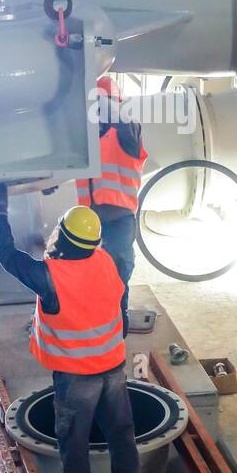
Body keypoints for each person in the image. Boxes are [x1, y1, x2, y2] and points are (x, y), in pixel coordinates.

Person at [0, 183, 147, 473]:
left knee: (74, 444)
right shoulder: (108, 262)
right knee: (122, 436)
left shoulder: (51, 276)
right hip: (114, 368)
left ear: (63, 237)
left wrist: (0, 212)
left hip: (77, 377)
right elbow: (121, 312)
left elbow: (8, 257)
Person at [77, 74, 147, 325]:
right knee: (87, 275)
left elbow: (121, 120)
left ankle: (118, 324)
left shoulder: (128, 132)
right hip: (86, 223)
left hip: (119, 221)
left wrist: (95, 95)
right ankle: (94, 324)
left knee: (117, 274)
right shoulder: (86, 138)